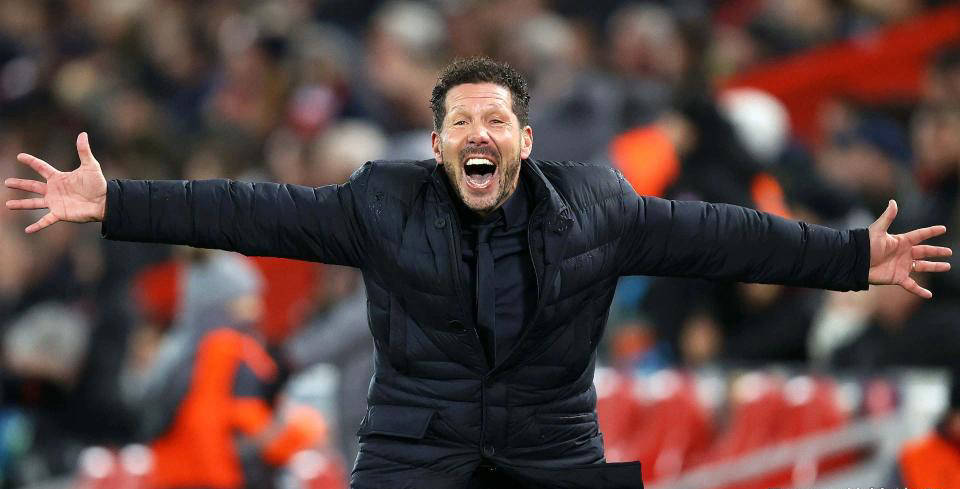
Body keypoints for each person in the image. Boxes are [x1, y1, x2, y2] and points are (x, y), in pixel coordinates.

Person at [4, 57, 952, 489]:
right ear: (437, 144)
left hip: (550, 459)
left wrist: (850, 257)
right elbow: (248, 210)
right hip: (415, 462)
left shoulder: (598, 206)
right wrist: (116, 202)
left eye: (495, 118)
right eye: (460, 120)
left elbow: (725, 237)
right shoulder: (381, 203)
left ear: (526, 140)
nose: (478, 132)